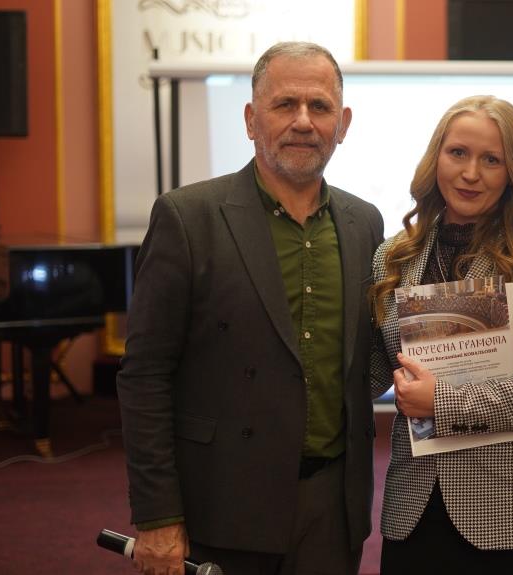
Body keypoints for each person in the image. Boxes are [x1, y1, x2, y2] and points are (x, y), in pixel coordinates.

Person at [117, 41, 384, 575]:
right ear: (250, 119)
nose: (303, 121)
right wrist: (157, 515)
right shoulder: (187, 218)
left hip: (333, 510)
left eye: (320, 106)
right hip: (221, 506)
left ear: (343, 123)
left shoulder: (365, 224)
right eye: (285, 104)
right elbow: (144, 375)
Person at [369, 95, 513, 574]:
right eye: (458, 153)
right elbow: (369, 372)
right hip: (415, 511)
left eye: (492, 160)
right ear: (436, 159)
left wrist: (441, 403)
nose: (471, 173)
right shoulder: (394, 257)